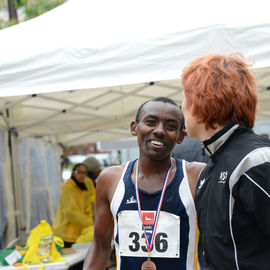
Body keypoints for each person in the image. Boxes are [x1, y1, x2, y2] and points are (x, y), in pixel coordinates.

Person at [83, 97, 206, 270]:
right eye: (151, 122)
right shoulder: (110, 179)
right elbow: (101, 246)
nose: (159, 131)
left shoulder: (196, 176)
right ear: (134, 128)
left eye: (170, 126)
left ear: (180, 136)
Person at [181, 54, 270, 269]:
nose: (181, 106)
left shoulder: (256, 161)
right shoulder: (210, 167)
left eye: (185, 97)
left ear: (199, 102)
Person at [53, 163, 95, 248]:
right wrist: (90, 222)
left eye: (84, 172)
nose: (82, 175)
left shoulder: (87, 183)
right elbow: (70, 212)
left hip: (78, 233)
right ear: (73, 173)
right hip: (64, 233)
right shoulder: (68, 188)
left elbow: (92, 201)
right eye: (79, 172)